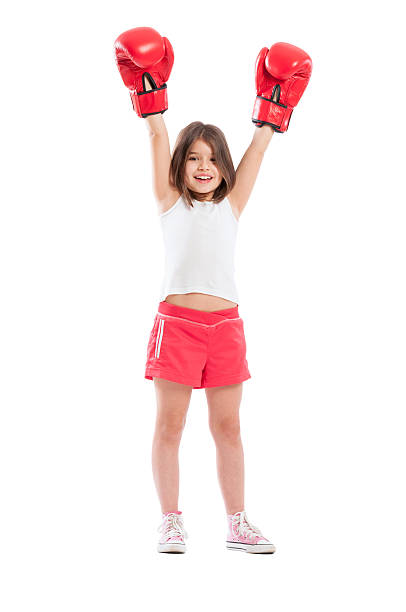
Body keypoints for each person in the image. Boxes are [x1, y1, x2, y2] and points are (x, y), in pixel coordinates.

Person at [114, 27, 312, 554]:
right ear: (182, 164)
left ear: (223, 167)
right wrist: (150, 93)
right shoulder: (169, 201)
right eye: (194, 157)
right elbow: (158, 135)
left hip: (225, 329)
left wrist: (273, 106)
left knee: (229, 428)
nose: (204, 167)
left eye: (212, 159)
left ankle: (238, 521)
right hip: (176, 327)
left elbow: (260, 148)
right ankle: (171, 520)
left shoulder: (231, 205)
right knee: (170, 427)